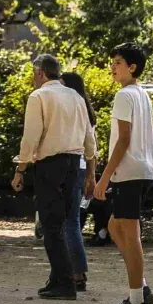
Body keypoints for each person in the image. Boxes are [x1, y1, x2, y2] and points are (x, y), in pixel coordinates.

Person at [12, 54, 96, 300]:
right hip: (74, 164)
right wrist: (90, 162)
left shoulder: (39, 97)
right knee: (66, 221)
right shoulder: (76, 97)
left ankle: (63, 281)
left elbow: (31, 137)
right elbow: (89, 136)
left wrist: (20, 169)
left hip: (50, 165)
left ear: (40, 73)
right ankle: (63, 278)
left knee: (51, 224)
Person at [97, 42, 153, 304]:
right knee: (114, 226)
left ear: (132, 67)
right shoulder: (143, 95)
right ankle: (142, 288)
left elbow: (123, 140)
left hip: (129, 172)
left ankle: (136, 302)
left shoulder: (124, 95)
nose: (113, 67)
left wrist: (104, 178)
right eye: (112, 62)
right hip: (144, 171)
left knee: (131, 236)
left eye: (118, 62)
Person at [59, 71, 96, 292]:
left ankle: (77, 272)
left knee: (69, 222)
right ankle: (75, 271)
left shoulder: (73, 110)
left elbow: (89, 146)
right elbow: (93, 149)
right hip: (81, 168)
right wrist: (91, 176)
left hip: (72, 167)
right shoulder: (87, 111)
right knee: (72, 221)